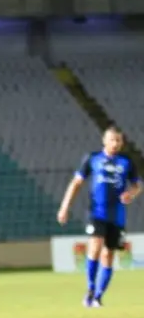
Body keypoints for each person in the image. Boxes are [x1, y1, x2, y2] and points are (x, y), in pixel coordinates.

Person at [58, 126, 141, 307]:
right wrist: (65, 207)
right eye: (112, 140)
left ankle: (98, 295)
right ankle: (89, 288)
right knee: (95, 247)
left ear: (122, 142)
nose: (115, 143)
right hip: (97, 212)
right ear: (104, 141)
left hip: (117, 215)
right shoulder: (92, 158)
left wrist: (131, 194)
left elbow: (137, 185)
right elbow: (76, 183)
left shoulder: (126, 162)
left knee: (108, 255)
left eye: (118, 140)